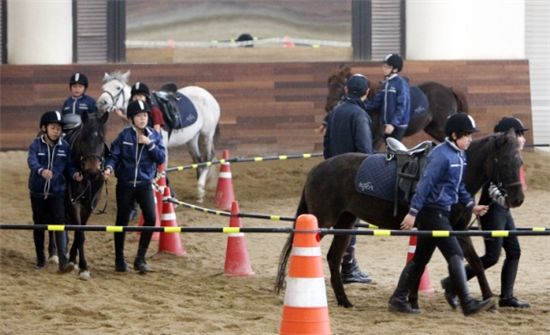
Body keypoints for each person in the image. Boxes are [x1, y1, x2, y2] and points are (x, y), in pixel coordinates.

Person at [388, 113, 493, 316]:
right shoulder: (441, 155)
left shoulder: (459, 156)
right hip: (431, 212)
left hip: (441, 211)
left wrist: (472, 205)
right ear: (454, 135)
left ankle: (398, 299)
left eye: (471, 135)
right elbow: (425, 184)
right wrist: (413, 212)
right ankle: (467, 303)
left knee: (419, 259)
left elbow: (459, 186)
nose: (470, 139)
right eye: (467, 135)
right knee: (455, 253)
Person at [441, 117, 530, 309]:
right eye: (519, 134)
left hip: (503, 210)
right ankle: (451, 283)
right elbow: (490, 187)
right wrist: (506, 200)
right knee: (492, 256)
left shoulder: (509, 156)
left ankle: (506, 297)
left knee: (514, 251)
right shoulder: (496, 158)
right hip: (492, 210)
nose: (522, 139)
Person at [104, 100, 166, 274]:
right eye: (139, 116)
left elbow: (161, 157)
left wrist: (150, 144)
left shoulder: (154, 135)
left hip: (145, 184)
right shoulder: (124, 136)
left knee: (151, 218)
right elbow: (114, 156)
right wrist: (109, 167)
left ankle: (140, 258)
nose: (142, 119)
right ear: (131, 118)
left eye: (145, 115)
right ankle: (119, 259)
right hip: (125, 184)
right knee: (121, 221)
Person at [323, 73, 373, 284]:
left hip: (332, 172)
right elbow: (364, 151)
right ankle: (348, 266)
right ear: (366, 93)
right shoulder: (359, 116)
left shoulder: (334, 113)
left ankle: (346, 264)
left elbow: (326, 145)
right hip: (352, 177)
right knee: (350, 222)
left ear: (345, 90)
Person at [27, 110, 83, 272]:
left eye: (59, 128)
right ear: (44, 128)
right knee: (39, 224)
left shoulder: (65, 147)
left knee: (59, 224)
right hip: (37, 192)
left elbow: (70, 166)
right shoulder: (36, 144)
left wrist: (75, 174)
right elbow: (32, 160)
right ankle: (40, 259)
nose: (56, 131)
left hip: (57, 192)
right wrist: (40, 171)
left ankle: (63, 261)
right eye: (53, 127)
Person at [365, 53, 411, 141]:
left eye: (387, 67)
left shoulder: (400, 84)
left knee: (394, 150)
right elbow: (376, 102)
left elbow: (402, 106)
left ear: (395, 69)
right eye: (384, 66)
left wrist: (393, 124)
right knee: (388, 149)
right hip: (386, 124)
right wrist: (363, 104)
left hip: (397, 125)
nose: (384, 69)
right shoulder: (385, 84)